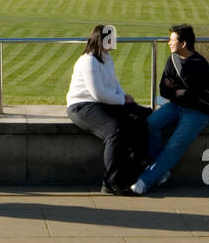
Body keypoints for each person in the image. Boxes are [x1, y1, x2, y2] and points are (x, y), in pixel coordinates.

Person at [131, 24, 209, 195]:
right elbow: (163, 89)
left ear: (183, 43)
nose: (168, 43)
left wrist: (177, 91)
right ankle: (161, 171)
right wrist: (178, 92)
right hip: (177, 106)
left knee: (174, 147)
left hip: (198, 112)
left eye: (172, 40)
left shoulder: (200, 64)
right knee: (151, 123)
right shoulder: (172, 60)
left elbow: (196, 96)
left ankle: (145, 180)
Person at [65, 24, 151, 196]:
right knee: (115, 130)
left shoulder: (106, 58)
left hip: (103, 103)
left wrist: (125, 98)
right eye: (110, 38)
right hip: (82, 105)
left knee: (142, 115)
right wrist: (121, 100)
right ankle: (111, 182)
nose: (113, 42)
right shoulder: (88, 60)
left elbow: (114, 85)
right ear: (100, 40)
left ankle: (138, 168)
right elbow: (97, 94)